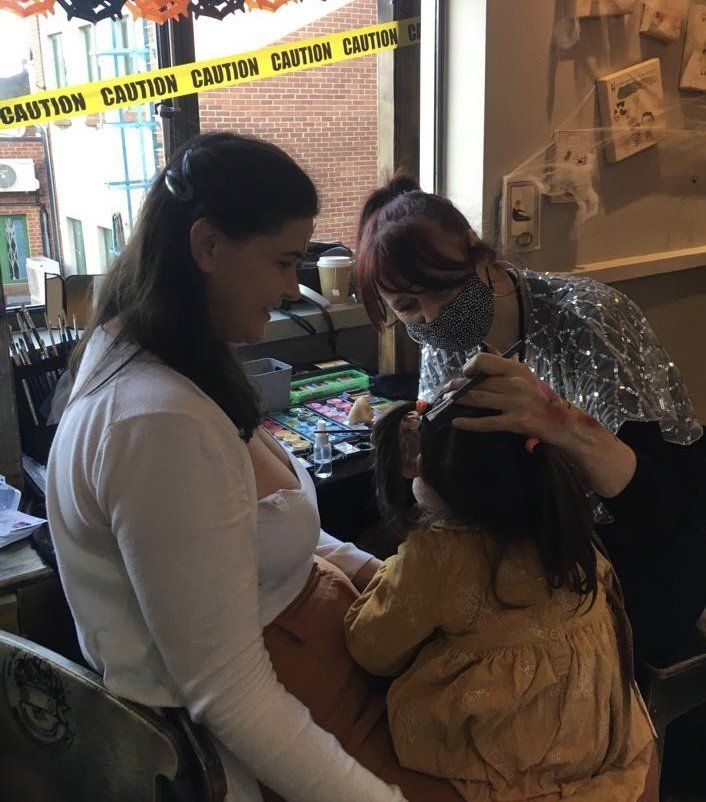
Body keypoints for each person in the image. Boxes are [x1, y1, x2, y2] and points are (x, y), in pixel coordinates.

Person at [46, 134, 464, 802]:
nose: (293, 287)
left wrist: (381, 577)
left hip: (330, 667)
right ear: (209, 245)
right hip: (284, 726)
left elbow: (255, 528)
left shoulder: (170, 355)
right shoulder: (158, 424)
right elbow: (231, 695)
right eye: (284, 261)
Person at [354, 176, 706, 665]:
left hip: (642, 547)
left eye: (443, 289)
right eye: (409, 307)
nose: (433, 317)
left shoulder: (587, 317)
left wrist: (559, 422)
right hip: (536, 545)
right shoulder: (443, 343)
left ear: (479, 254)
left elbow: (661, 506)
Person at [345, 401, 659, 802]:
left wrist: (388, 575)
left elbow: (372, 649)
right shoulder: (567, 529)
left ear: (426, 473)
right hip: (594, 730)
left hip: (511, 753)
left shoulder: (438, 555)